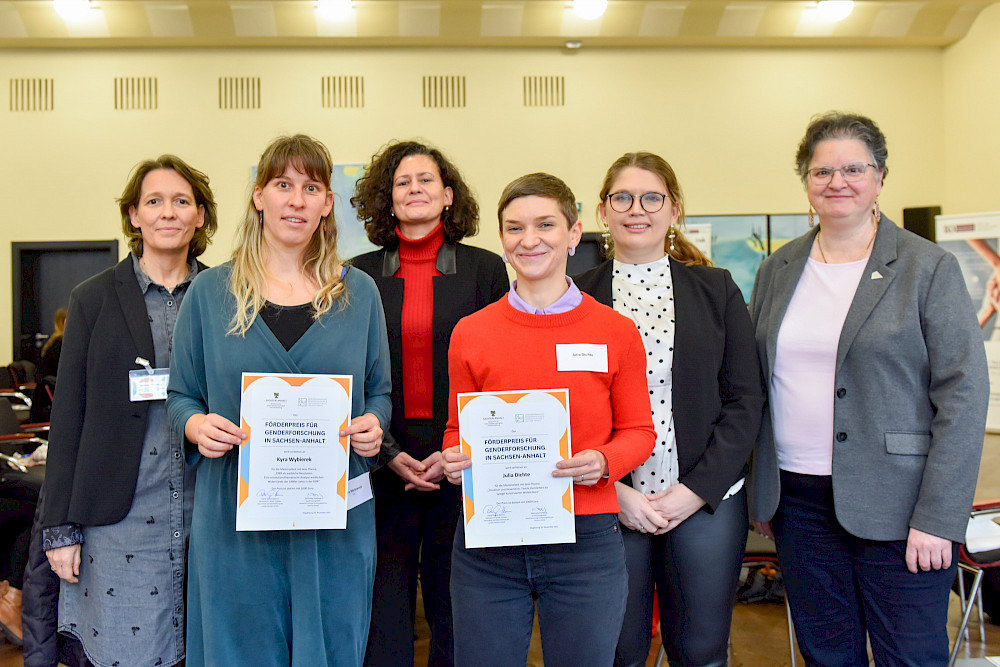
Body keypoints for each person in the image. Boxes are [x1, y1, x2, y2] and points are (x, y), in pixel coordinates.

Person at [748, 111, 989, 666]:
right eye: (822, 171)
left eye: (853, 169)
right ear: (806, 181)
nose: (838, 182)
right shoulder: (777, 269)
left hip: (900, 506)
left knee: (909, 656)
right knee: (827, 655)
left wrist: (938, 517)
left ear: (880, 176)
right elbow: (759, 383)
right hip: (797, 503)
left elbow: (963, 396)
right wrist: (762, 489)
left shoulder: (927, 267)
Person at [166, 134, 391, 666]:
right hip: (235, 517)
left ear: (327, 203)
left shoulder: (359, 293)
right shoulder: (210, 293)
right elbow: (181, 396)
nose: (297, 200)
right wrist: (197, 426)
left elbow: (379, 392)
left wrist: (373, 425)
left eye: (311, 188)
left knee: (331, 646)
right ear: (259, 196)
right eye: (283, 185)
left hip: (332, 519)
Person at [441, 172, 656, 667]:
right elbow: (457, 428)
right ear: (501, 240)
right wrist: (453, 456)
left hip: (586, 542)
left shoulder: (615, 331)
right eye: (515, 228)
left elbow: (639, 432)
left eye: (545, 225)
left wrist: (603, 461)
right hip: (489, 544)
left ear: (574, 233)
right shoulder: (471, 333)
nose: (529, 240)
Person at [575, 152, 764, 667]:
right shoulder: (576, 297)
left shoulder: (717, 290)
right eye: (622, 198)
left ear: (674, 209)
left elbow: (745, 400)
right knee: (617, 653)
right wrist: (612, 489)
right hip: (607, 500)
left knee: (701, 652)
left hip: (704, 500)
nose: (637, 209)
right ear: (603, 211)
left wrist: (694, 491)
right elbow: (563, 409)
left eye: (651, 197)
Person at [41, 154, 218, 667]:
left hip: (209, 512)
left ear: (200, 215)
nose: (169, 212)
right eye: (154, 201)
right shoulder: (92, 299)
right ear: (134, 215)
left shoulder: (224, 296)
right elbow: (68, 418)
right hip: (119, 519)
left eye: (182, 201)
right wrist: (60, 528)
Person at [350, 140, 508, 667]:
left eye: (426, 180)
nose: (414, 189)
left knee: (455, 602)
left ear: (448, 195)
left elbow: (496, 371)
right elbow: (351, 371)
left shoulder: (486, 270)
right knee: (384, 603)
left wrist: (457, 448)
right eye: (402, 182)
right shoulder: (356, 275)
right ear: (387, 198)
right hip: (380, 455)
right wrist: (388, 453)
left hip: (460, 457)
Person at [30, 306, 67, 422]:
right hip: (56, 400)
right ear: (65, 322)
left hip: (49, 397)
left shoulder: (53, 342)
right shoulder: (61, 345)